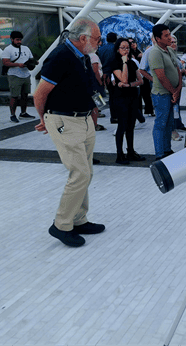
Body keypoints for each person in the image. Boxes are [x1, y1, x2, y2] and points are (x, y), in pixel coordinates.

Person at [33, 17, 105, 248]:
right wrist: (44, 118)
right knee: (80, 173)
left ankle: (78, 219)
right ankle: (61, 225)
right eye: (96, 38)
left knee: (87, 173)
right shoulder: (61, 56)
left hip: (83, 120)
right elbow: (40, 93)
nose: (99, 42)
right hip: (65, 120)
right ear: (83, 38)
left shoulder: (81, 56)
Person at [149, 24, 182, 160]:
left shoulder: (169, 50)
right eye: (166, 36)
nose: (170, 38)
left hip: (171, 93)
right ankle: (159, 153)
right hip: (161, 94)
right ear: (157, 38)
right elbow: (161, 76)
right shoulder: (155, 52)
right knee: (161, 124)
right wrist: (174, 91)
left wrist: (178, 88)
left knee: (169, 123)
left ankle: (167, 150)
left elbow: (178, 69)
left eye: (169, 34)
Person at [111, 37, 145, 164]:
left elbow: (140, 80)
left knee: (131, 126)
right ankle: (120, 154)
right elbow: (123, 79)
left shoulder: (133, 62)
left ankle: (130, 151)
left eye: (127, 47)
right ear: (118, 49)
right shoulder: (115, 62)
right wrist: (124, 62)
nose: (125, 50)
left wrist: (130, 85)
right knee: (122, 126)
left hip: (132, 96)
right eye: (123, 47)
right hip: (120, 98)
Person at [1, 30, 36, 123]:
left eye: (20, 40)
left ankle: (23, 113)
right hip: (14, 75)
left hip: (26, 74)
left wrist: (33, 63)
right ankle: (13, 115)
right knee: (14, 96)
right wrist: (18, 64)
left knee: (25, 95)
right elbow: (5, 62)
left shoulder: (26, 48)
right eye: (17, 40)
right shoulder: (8, 49)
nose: (19, 42)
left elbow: (31, 59)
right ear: (12, 39)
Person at [98, 32, 118, 124]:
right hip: (116, 74)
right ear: (115, 39)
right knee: (117, 95)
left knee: (111, 96)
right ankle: (117, 116)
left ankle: (113, 117)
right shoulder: (116, 48)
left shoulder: (101, 49)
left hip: (105, 74)